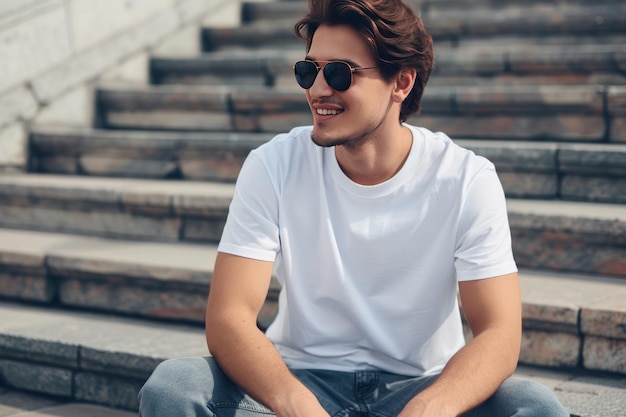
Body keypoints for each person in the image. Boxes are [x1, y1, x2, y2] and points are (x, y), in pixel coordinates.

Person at [138, 0, 570, 415]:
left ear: (402, 82)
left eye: (341, 74)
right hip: (299, 379)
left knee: (533, 406)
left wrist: (430, 409)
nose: (318, 89)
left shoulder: (464, 179)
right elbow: (229, 317)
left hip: (420, 387)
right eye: (309, 70)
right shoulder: (274, 164)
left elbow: (499, 332)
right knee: (175, 387)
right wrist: (297, 404)